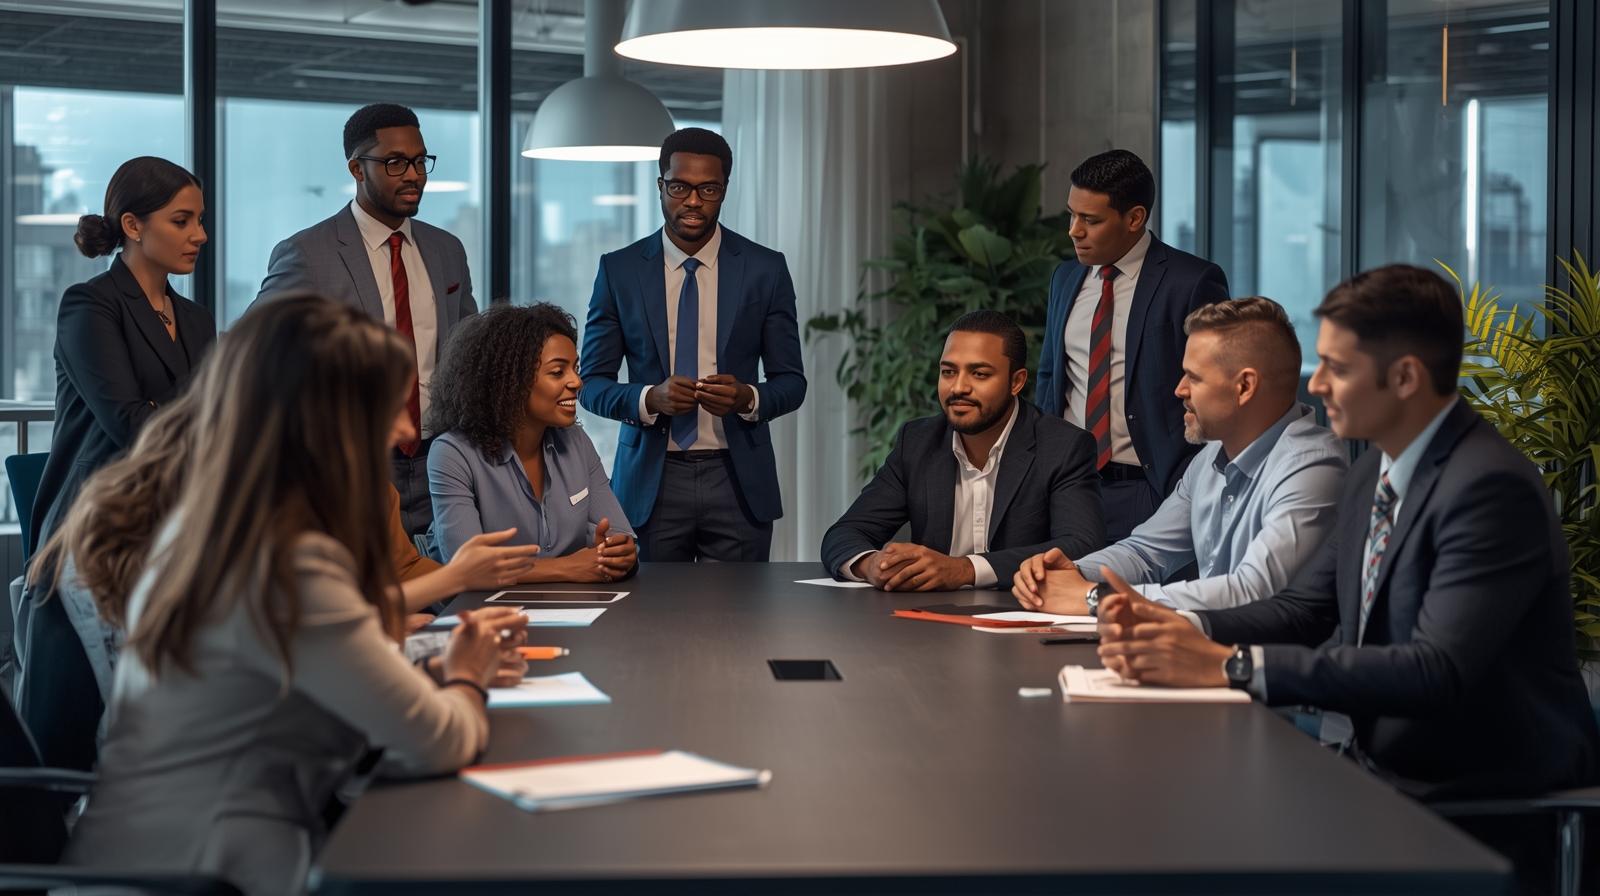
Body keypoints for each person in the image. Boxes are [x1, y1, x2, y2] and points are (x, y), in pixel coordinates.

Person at [62, 294, 526, 896]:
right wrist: (467, 675)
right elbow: (438, 742)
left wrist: (422, 663)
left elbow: (294, 675)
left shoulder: (212, 531)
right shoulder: (290, 565)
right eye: (389, 409)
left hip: (148, 855)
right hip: (212, 871)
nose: (409, 428)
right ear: (329, 424)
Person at [1093, 264, 1599, 801]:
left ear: (1404, 377)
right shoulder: (1371, 471)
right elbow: (1303, 609)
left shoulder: (1490, 488)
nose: (1315, 383)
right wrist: (1175, 624)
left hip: (1482, 798)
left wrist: (1235, 664)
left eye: (1337, 366)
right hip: (1380, 768)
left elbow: (1434, 670)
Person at [28, 390, 541, 743]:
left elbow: (300, 643)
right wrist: (463, 676)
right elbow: (436, 737)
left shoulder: (185, 535)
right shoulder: (229, 549)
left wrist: (402, 646)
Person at [17, 155, 216, 771]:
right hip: (94, 527)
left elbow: (201, 419)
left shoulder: (196, 318)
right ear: (132, 225)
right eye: (182, 221)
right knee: (74, 734)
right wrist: (202, 407)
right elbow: (129, 424)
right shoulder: (90, 304)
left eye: (200, 221)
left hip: (174, 518)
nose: (199, 236)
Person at [1012, 297, 1346, 614]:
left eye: (1194, 377)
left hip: (1263, 669)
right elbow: (1145, 552)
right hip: (1201, 650)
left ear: (1244, 387)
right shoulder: (1212, 455)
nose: (1179, 389)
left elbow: (1254, 591)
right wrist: (1068, 572)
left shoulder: (1312, 464)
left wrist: (1096, 597)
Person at [579, 127, 806, 562]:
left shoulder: (765, 269)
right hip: (650, 477)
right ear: (661, 185)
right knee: (650, 621)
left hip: (738, 478)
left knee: (741, 621)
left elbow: (792, 382)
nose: (693, 201)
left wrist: (748, 397)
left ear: (724, 189)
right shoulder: (619, 270)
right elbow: (590, 383)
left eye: (709, 189)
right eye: (680, 186)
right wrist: (649, 398)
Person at [255, 102, 478, 537]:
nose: (413, 175)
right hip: (353, 462)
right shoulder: (307, 255)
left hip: (442, 456)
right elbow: (255, 353)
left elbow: (466, 351)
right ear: (357, 169)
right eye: (395, 163)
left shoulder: (447, 250)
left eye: (419, 161)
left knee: (448, 588)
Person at [820, 310, 1103, 590]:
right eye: (948, 372)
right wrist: (873, 565)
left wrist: (965, 569)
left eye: (979, 374)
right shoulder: (918, 442)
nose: (958, 387)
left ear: (1016, 382)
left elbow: (1080, 545)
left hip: (1021, 615)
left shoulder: (1063, 447)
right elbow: (846, 533)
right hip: (929, 618)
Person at [1034, 150, 1230, 542]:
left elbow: (1213, 386)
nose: (1074, 230)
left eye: (1090, 220)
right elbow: (1051, 376)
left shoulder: (1191, 281)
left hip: (1151, 488)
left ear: (1135, 218)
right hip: (1067, 488)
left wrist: (1187, 484)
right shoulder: (1066, 277)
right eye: (1072, 215)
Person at [429, 303, 638, 583]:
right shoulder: (452, 453)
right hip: (485, 616)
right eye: (557, 372)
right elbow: (466, 568)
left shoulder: (577, 442)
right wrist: (568, 568)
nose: (576, 382)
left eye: (575, 369)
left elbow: (620, 535)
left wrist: (618, 553)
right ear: (510, 381)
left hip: (571, 612)